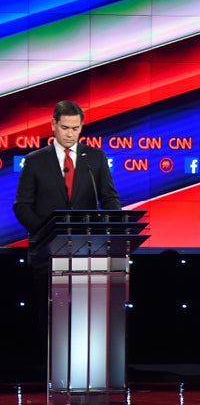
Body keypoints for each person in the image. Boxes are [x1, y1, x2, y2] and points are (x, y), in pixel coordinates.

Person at [13, 100, 121, 374]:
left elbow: (109, 198)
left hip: (87, 252)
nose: (70, 134)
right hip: (47, 253)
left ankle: (86, 370)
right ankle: (53, 371)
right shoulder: (36, 161)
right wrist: (45, 233)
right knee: (51, 316)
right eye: (65, 128)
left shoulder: (94, 158)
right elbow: (22, 205)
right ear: (53, 125)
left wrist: (115, 224)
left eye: (76, 128)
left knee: (85, 315)